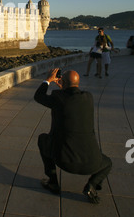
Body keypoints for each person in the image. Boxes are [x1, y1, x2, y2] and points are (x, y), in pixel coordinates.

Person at [34, 68, 112, 204]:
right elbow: (72, 99)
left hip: (64, 161)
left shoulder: (58, 98)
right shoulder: (88, 97)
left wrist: (47, 80)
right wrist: (65, 86)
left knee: (43, 139)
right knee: (108, 163)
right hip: (91, 163)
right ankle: (91, 185)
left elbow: (38, 97)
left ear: (62, 82)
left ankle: (53, 182)